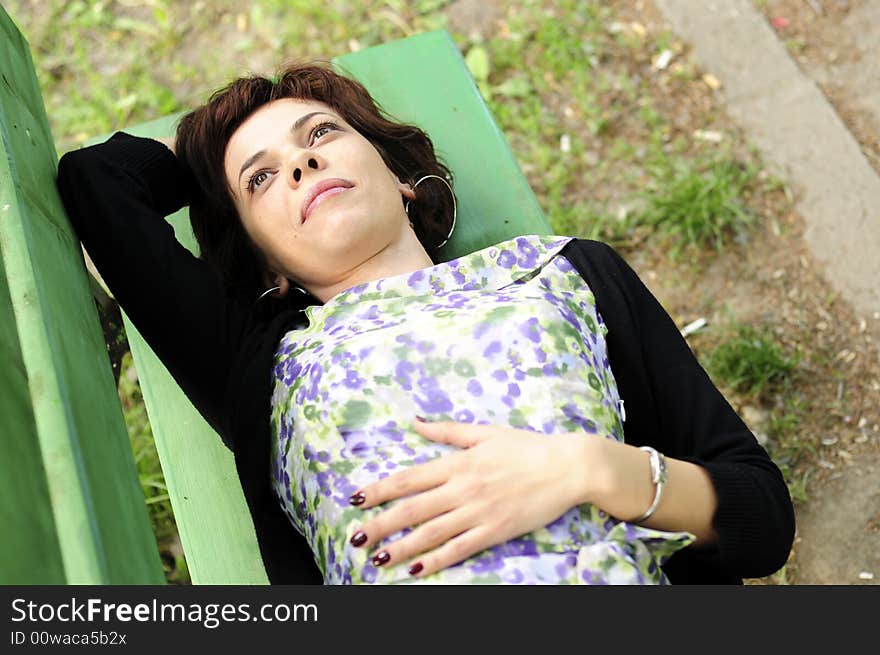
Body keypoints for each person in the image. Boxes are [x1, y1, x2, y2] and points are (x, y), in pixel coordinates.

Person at [56, 62, 795, 584]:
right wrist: (207, 157)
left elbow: (761, 519)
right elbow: (98, 185)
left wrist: (590, 468)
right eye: (264, 177)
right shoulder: (260, 361)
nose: (302, 165)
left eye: (320, 136)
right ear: (267, 269)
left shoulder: (567, 274)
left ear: (400, 178)